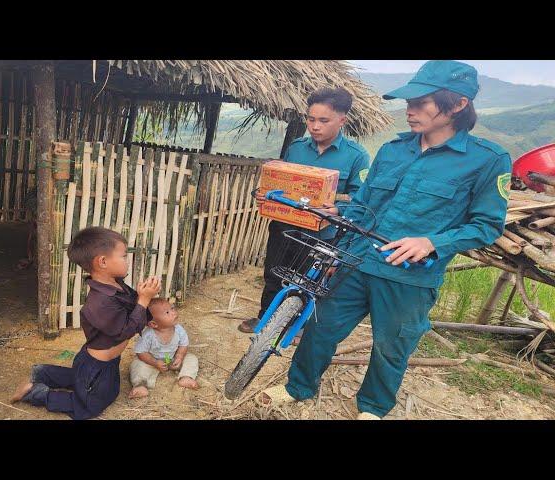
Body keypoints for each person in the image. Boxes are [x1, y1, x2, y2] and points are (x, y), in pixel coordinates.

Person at [258, 60, 512, 419]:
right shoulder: (394, 150)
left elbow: (487, 225)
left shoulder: (486, 161)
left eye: (421, 102)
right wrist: (339, 218)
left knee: (391, 347)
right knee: (320, 327)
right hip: (357, 262)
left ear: (457, 105)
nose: (409, 110)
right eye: (408, 101)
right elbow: (364, 205)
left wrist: (432, 242)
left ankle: (373, 408)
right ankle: (297, 387)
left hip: (409, 277)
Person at [238, 87, 371, 333]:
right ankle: (265, 318)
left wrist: (338, 209)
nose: (315, 126)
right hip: (285, 227)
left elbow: (361, 198)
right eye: (311, 119)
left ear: (342, 120)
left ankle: (296, 327)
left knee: (308, 280)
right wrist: (264, 193)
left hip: (322, 234)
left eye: (323, 120)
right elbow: (281, 183)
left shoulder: (356, 157)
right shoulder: (296, 148)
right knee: (274, 272)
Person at [10, 226, 161, 420]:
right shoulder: (99, 302)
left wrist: (144, 299)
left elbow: (133, 307)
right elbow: (124, 331)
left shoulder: (116, 284)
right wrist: (144, 300)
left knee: (103, 388)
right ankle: (34, 392)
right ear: (103, 262)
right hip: (97, 366)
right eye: (123, 256)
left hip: (100, 364)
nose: (127, 260)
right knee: (89, 407)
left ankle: (43, 372)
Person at [127, 298, 199, 398]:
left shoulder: (178, 329)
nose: (174, 313)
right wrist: (154, 362)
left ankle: (186, 376)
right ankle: (140, 385)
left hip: (173, 359)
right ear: (153, 324)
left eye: (172, 308)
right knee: (137, 365)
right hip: (152, 362)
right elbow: (141, 352)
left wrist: (179, 357)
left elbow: (183, 345)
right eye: (167, 312)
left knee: (191, 358)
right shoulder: (148, 335)